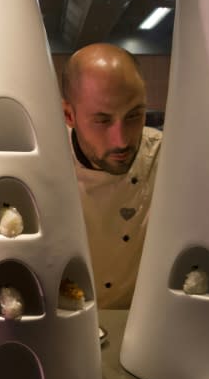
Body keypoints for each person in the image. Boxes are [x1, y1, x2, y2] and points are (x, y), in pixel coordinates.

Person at [61, 43, 162, 309]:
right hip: (64, 323)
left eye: (134, 116)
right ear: (68, 114)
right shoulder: (43, 161)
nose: (122, 140)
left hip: (142, 323)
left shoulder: (169, 158)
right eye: (103, 120)